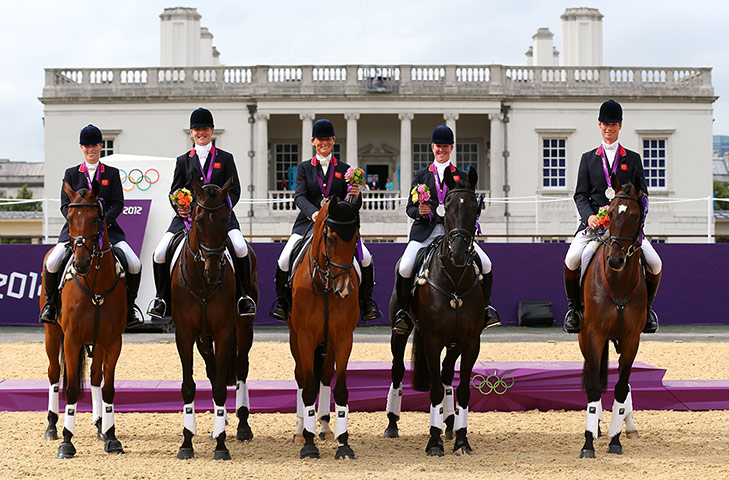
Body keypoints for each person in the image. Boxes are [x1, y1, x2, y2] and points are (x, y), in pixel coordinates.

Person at [563, 99, 662, 334]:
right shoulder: (588, 159)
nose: (609, 127)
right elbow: (580, 195)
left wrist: (636, 224)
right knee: (574, 258)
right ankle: (574, 310)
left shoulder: (633, 158)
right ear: (599, 125)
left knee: (656, 263)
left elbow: (643, 196)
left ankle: (647, 311)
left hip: (626, 230)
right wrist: (588, 217)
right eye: (606, 123)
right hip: (595, 227)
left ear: (620, 126)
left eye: (614, 123)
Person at [147, 107, 256, 318]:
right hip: (188, 219)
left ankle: (243, 296)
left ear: (212, 130)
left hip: (220, 219)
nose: (201, 133)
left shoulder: (225, 158)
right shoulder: (183, 160)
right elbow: (174, 191)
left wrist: (223, 208)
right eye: (197, 129)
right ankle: (161, 298)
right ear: (191, 133)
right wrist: (180, 205)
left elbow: (234, 190)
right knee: (160, 252)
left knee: (241, 247)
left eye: (205, 128)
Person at [391, 124, 499, 334]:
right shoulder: (421, 175)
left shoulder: (461, 176)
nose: (441, 150)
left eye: (445, 146)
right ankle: (403, 312)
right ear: (432, 147)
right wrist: (419, 212)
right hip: (424, 233)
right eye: (438, 146)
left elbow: (469, 206)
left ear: (451, 148)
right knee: (404, 267)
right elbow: (409, 208)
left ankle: (485, 310)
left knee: (486, 264)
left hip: (454, 235)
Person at [271, 118, 380, 321]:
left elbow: (352, 203)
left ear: (333, 141)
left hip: (338, 226)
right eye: (320, 140)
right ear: (313, 141)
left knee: (365, 258)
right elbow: (299, 196)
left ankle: (366, 302)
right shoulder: (303, 168)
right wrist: (314, 213)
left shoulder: (345, 169)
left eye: (328, 139)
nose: (324, 143)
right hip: (308, 222)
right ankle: (283, 302)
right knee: (284, 259)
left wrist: (356, 194)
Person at [39, 124, 143, 327]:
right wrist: (77, 224)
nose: (91, 149)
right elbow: (64, 206)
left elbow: (118, 203)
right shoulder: (71, 173)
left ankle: (130, 308)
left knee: (134, 263)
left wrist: (104, 221)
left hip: (109, 232)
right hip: (77, 233)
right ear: (81, 147)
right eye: (87, 146)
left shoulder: (111, 173)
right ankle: (51, 306)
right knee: (52, 262)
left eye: (94, 145)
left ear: (100, 146)